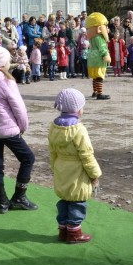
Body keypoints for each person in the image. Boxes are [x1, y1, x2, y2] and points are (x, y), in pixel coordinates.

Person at [0, 46, 37, 213]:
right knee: (28, 158)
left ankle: (2, 202)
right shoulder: (6, 81)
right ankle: (19, 196)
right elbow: (19, 107)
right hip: (8, 129)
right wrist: (22, 126)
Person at [49, 88, 102, 244]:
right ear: (77, 109)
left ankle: (63, 229)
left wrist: (54, 167)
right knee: (77, 201)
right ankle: (74, 232)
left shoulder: (53, 127)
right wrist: (94, 174)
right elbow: (87, 155)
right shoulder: (79, 130)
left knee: (65, 199)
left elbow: (52, 151)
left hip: (61, 166)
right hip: (77, 169)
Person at [85, 13, 111, 99]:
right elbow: (102, 48)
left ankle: (95, 92)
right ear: (100, 28)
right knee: (99, 76)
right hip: (98, 59)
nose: (107, 29)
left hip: (92, 58)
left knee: (95, 77)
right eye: (106, 27)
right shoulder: (100, 37)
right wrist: (106, 55)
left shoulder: (92, 37)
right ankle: (99, 94)